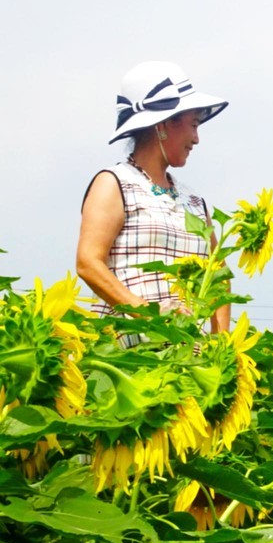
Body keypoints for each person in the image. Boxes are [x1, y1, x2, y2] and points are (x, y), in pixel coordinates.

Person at [76, 61, 230, 343]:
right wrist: (151, 316)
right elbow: (88, 262)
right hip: (126, 358)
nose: (196, 138)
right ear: (163, 124)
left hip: (186, 360)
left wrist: (221, 344)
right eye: (193, 125)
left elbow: (218, 276)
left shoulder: (195, 202)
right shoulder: (115, 183)